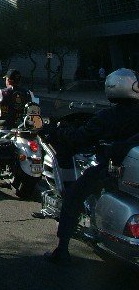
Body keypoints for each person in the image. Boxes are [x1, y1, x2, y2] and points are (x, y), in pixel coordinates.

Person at [43, 67, 139, 264]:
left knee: (73, 196)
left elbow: (79, 138)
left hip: (110, 170)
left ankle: (61, 250)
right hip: (132, 173)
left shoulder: (108, 116)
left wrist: (59, 133)